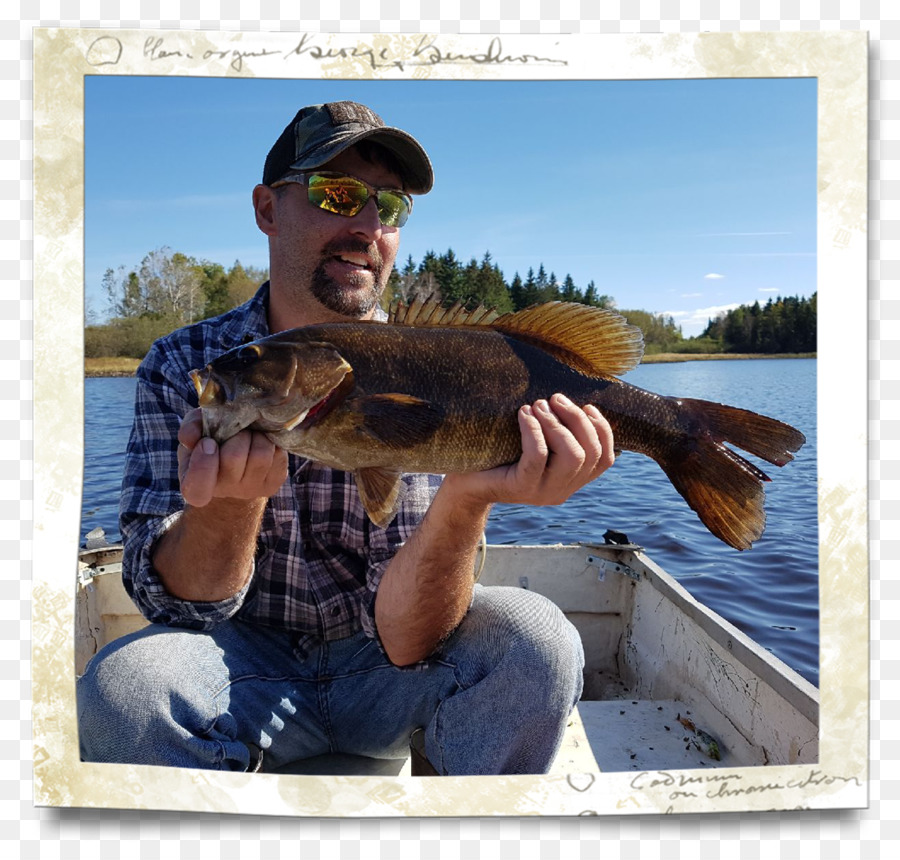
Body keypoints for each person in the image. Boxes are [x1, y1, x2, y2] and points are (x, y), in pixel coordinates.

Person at [77, 100, 616, 775]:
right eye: (338, 194)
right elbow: (172, 609)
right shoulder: (189, 365)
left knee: (540, 644)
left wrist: (470, 495)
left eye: (390, 208)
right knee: (122, 694)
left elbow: (408, 637)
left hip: (394, 670)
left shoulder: (426, 356)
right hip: (239, 669)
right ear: (268, 210)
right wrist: (233, 503)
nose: (368, 226)